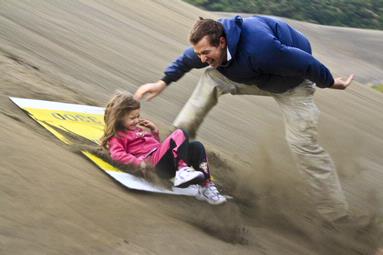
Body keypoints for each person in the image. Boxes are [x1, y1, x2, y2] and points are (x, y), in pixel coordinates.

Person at [134, 15, 355, 222]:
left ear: (222, 42)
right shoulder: (208, 45)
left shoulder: (263, 48)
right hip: (255, 77)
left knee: (303, 146)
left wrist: (331, 83)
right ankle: (176, 148)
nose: (202, 58)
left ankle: (336, 215)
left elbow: (307, 64)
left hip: (293, 85)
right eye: (200, 53)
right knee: (211, 77)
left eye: (206, 52)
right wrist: (162, 82)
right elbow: (186, 60)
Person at [100, 91, 227, 205]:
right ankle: (182, 170)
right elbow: (116, 154)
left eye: (138, 116)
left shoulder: (139, 130)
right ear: (119, 118)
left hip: (163, 162)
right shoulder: (117, 136)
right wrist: (139, 163)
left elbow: (157, 148)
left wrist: (154, 132)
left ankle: (206, 186)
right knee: (179, 133)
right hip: (154, 166)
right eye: (132, 118)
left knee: (196, 146)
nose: (137, 120)